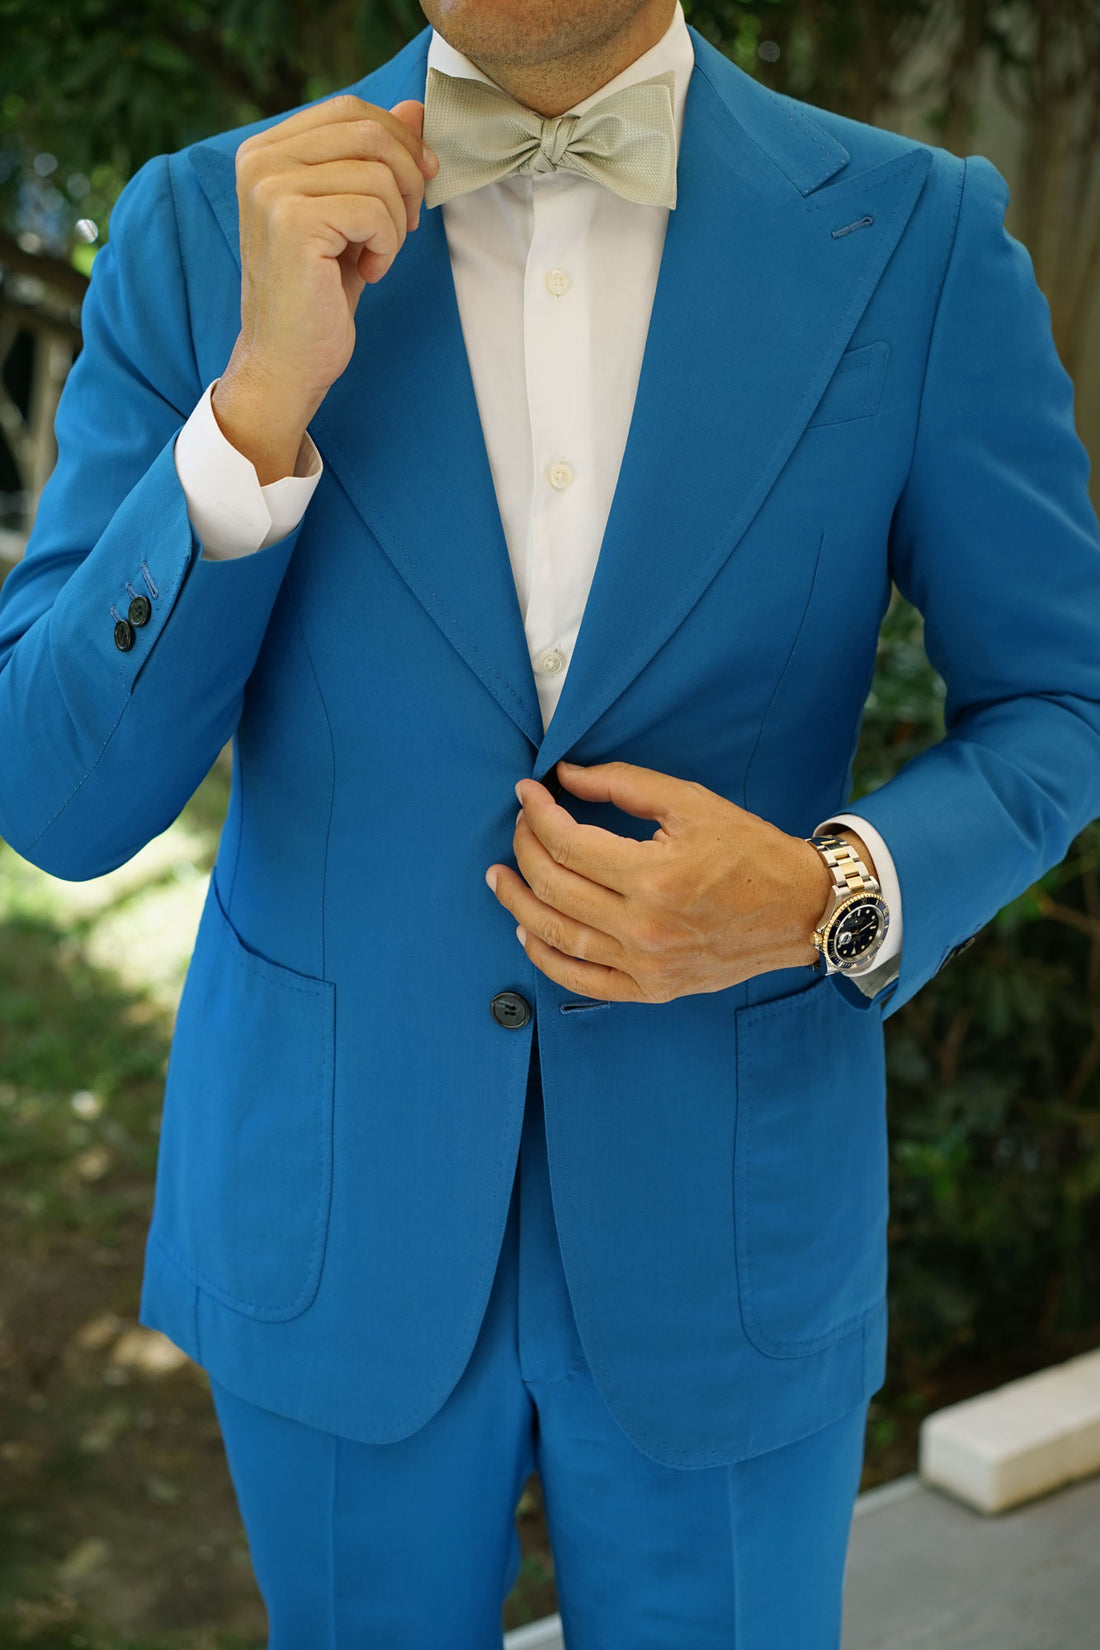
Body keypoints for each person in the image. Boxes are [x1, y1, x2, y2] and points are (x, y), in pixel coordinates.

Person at [1, 0, 1099, 1643]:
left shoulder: (916, 236)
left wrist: (828, 891)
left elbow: (1061, 698)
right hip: (331, 1214)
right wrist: (251, 414)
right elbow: (58, 802)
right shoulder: (196, 226)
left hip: (729, 1231)